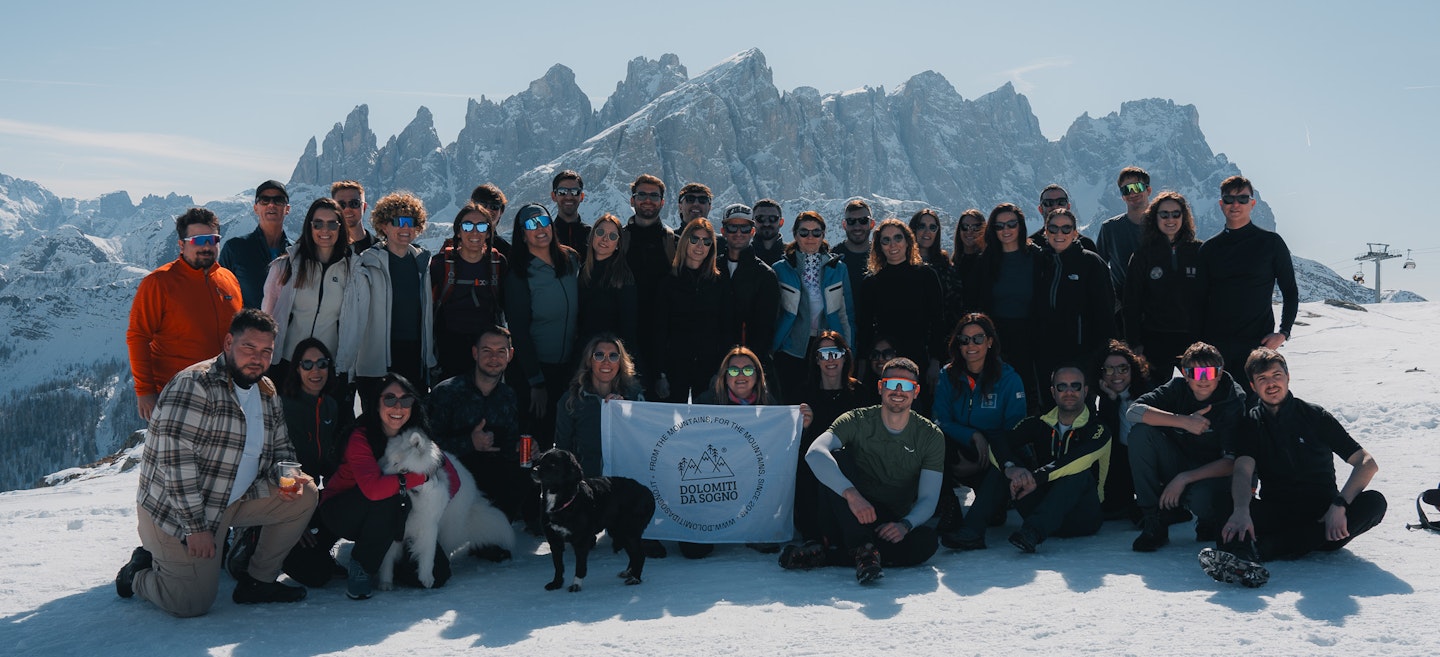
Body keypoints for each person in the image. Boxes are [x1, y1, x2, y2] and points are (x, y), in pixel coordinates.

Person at [114, 309, 316, 616]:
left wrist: (287, 477)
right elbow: (176, 465)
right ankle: (138, 573)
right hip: (177, 513)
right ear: (228, 343)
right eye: (249, 347)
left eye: (266, 351)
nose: (258, 358)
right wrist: (196, 528)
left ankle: (258, 582)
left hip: (232, 499)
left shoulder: (266, 390)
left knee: (305, 494)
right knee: (190, 602)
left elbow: (281, 446)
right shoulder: (196, 385)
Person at [1202, 348, 1386, 587]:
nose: (1271, 384)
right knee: (1223, 499)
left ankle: (1258, 550)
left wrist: (1339, 505)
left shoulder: (1315, 416)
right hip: (1279, 512)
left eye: (1276, 375)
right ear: (1253, 386)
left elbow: (1366, 463)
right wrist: (1241, 510)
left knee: (1375, 502)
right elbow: (1243, 471)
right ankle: (1243, 559)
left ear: (1288, 377)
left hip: (1324, 518)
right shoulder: (1251, 423)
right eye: (1262, 379)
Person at [786, 357, 942, 583]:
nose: (899, 391)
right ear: (880, 387)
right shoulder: (856, 420)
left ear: (916, 391)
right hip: (844, 512)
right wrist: (852, 495)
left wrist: (905, 525)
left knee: (927, 542)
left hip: (885, 521)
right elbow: (815, 453)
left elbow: (929, 497)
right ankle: (863, 548)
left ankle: (833, 556)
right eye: (891, 384)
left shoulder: (930, 435)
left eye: (907, 385)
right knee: (837, 456)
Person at [321, 373, 460, 599]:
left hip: (393, 519)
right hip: (343, 510)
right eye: (389, 399)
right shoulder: (361, 437)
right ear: (376, 403)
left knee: (438, 574)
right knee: (389, 497)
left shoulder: (416, 436)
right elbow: (373, 490)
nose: (398, 406)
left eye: (406, 400)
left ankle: (386, 555)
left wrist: (427, 514)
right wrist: (419, 479)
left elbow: (452, 479)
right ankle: (362, 564)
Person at [943, 365, 1111, 553]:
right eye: (1062, 386)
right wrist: (1010, 467)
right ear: (1053, 392)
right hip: (1040, 509)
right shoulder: (1039, 423)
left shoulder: (1098, 429)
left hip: (1082, 518)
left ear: (1085, 391)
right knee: (1006, 466)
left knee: (1079, 474)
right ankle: (971, 532)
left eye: (1076, 386)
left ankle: (1033, 532)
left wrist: (1036, 477)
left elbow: (1077, 459)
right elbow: (999, 442)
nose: (1069, 392)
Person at [691, 346, 812, 558]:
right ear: (724, 375)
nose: (741, 376)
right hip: (715, 479)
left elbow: (783, 448)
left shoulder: (769, 404)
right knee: (694, 550)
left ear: (757, 376)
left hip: (753, 478)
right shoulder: (706, 402)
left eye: (748, 370)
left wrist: (802, 425)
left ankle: (756, 528)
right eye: (733, 370)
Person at [127, 208, 244, 421]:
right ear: (181, 245)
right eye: (198, 240)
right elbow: (138, 337)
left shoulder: (228, 279)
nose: (206, 246)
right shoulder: (159, 282)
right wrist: (144, 391)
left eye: (213, 239)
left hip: (226, 393)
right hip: (177, 394)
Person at [1126, 342, 1245, 551]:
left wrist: (1184, 478)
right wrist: (1183, 421)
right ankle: (1154, 519)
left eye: (1210, 372)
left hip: (1212, 475)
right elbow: (1133, 412)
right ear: (1185, 374)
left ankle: (1209, 520)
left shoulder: (1232, 400)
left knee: (1202, 499)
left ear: (1220, 373)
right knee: (1140, 434)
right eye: (1195, 373)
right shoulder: (1177, 388)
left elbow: (1231, 462)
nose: (1203, 379)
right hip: (1178, 461)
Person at [336, 192, 436, 414]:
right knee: (376, 423)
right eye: (398, 221)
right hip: (377, 361)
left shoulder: (423, 263)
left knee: (412, 423)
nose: (405, 227)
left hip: (415, 358)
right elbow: (353, 314)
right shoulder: (367, 262)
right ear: (383, 225)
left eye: (411, 222)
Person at [1198, 176, 1298, 395]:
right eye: (1229, 199)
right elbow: (1198, 300)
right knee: (1215, 406)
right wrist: (1199, 348)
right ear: (1221, 204)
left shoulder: (1271, 243)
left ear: (1252, 203)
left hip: (1258, 347)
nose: (1235, 204)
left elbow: (1290, 291)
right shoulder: (1209, 249)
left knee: (1259, 405)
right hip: (1215, 350)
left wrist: (1283, 332)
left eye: (1242, 199)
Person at [932, 313, 1027, 537]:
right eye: (964, 340)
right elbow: (939, 420)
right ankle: (950, 508)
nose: (971, 345)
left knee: (995, 518)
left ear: (990, 341)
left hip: (996, 456)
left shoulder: (1009, 379)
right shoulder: (947, 375)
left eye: (978, 338)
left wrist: (985, 458)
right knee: (932, 439)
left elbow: (1015, 431)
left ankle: (994, 502)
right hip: (961, 449)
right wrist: (972, 435)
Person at [426, 327, 529, 527]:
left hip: (491, 476)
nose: (494, 358)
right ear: (475, 353)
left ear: (510, 355)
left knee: (524, 468)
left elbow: (509, 444)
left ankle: (495, 529)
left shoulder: (508, 396)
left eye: (501, 351)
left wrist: (521, 448)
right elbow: (426, 447)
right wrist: (469, 442)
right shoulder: (447, 392)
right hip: (452, 475)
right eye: (487, 350)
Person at [505, 203, 580, 449]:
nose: (540, 228)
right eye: (531, 224)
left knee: (564, 436)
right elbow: (519, 331)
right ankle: (527, 475)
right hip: (535, 371)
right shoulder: (519, 274)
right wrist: (535, 381)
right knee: (534, 438)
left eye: (544, 221)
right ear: (522, 233)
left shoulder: (570, 259)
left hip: (567, 368)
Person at [275, 338, 346, 587]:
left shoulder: (330, 406)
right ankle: (252, 545)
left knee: (351, 500)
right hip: (282, 504)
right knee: (316, 576)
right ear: (297, 369)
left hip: (309, 499)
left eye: (322, 363)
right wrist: (293, 521)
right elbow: (280, 465)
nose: (315, 371)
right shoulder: (284, 406)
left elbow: (325, 459)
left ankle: (319, 550)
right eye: (307, 364)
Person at [790, 331, 872, 543]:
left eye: (836, 353)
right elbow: (789, 444)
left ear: (845, 357)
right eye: (824, 354)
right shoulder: (802, 393)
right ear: (816, 360)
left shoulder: (860, 393)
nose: (830, 360)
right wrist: (803, 428)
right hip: (811, 473)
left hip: (852, 468)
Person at [261, 198, 352, 388]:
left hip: (326, 366)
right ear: (309, 227)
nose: (325, 230)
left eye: (332, 224)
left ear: (340, 228)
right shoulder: (286, 266)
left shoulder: (352, 271)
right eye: (318, 224)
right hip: (286, 363)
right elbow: (266, 317)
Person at [856, 218, 945, 403]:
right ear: (879, 247)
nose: (893, 244)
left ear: (907, 242)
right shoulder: (871, 282)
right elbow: (864, 327)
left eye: (898, 238)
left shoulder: (926, 276)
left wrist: (936, 360)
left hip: (919, 358)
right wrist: (863, 363)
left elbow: (938, 321)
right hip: (884, 361)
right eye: (886, 240)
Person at [772, 211, 857, 403]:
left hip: (828, 348)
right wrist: (774, 346)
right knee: (792, 400)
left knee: (823, 399)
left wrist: (849, 349)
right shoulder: (781, 269)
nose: (810, 237)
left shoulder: (838, 269)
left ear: (823, 235)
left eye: (816, 232)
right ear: (795, 235)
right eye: (804, 232)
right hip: (791, 348)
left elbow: (846, 312)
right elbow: (775, 313)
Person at [1031, 207, 1116, 396]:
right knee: (1048, 404)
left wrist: (1102, 353)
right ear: (1045, 232)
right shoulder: (1040, 262)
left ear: (1075, 233)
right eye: (1053, 228)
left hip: (1082, 355)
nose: (1059, 234)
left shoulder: (1090, 263)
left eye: (1066, 228)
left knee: (1081, 403)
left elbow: (1105, 312)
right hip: (1045, 354)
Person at [1124, 191, 1204, 380]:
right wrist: (1134, 342)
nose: (1170, 219)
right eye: (1164, 214)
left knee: (1201, 388)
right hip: (1154, 342)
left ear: (1184, 217)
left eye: (1176, 214)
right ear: (1155, 218)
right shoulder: (1143, 255)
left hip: (1194, 341)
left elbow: (1210, 297)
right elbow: (1131, 301)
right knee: (1153, 394)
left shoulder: (1199, 251)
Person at [970, 203, 1042, 410]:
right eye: (999, 226)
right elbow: (976, 301)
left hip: (1032, 335)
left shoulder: (1037, 257)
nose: (1006, 230)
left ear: (1021, 226)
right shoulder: (984, 262)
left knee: (1029, 391)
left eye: (1011, 224)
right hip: (996, 337)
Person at [429, 202, 507, 382]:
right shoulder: (441, 264)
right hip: (448, 354)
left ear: (489, 233)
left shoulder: (497, 264)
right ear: (458, 232)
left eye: (482, 226)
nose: (475, 232)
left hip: (486, 355)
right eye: (467, 226)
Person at [654, 218, 728, 403]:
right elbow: (658, 330)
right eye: (694, 239)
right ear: (685, 241)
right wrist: (660, 373)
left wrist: (720, 370)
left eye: (707, 241)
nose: (700, 246)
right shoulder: (668, 282)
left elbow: (726, 328)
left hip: (708, 367)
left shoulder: (719, 283)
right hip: (674, 366)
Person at [554, 333, 644, 477]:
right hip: (585, 480)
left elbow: (644, 442)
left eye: (613, 356)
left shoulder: (633, 397)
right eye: (599, 355)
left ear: (620, 363)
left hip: (624, 480)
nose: (606, 362)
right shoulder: (571, 400)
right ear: (589, 361)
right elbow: (562, 449)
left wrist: (624, 413)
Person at [622, 174, 678, 387]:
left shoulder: (673, 243)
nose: (648, 200)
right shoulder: (619, 240)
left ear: (662, 202)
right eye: (642, 195)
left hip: (665, 345)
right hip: (625, 342)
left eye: (654, 196)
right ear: (632, 200)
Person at [718, 203, 780, 394]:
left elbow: (765, 329)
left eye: (744, 228)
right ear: (723, 231)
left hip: (746, 369)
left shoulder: (765, 275)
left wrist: (750, 367)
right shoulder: (711, 268)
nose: (739, 233)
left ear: (752, 231)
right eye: (732, 227)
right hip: (710, 363)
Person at [1092, 340, 1155, 521]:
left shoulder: (1149, 393)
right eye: (1109, 369)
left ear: (1132, 369)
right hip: (1122, 464)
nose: (1116, 375)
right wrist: (1112, 399)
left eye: (1123, 368)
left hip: (1151, 464)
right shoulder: (1102, 400)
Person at [220, 180, 292, 308]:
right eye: (264, 200)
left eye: (279, 200)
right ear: (255, 208)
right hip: (245, 321)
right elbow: (220, 293)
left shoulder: (296, 252)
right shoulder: (235, 248)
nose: (271, 204)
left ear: (287, 209)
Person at [575, 213, 638, 352]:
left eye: (613, 236)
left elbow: (628, 328)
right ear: (592, 235)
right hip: (583, 351)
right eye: (600, 232)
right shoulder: (583, 271)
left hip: (608, 355)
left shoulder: (622, 277)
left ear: (618, 244)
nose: (605, 239)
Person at [1095, 167, 1153, 302]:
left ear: (1148, 190)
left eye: (1137, 187)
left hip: (1159, 305)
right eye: (1126, 190)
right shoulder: (1109, 228)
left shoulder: (1163, 225)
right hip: (1123, 305)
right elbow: (1097, 269)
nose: (1132, 193)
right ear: (1122, 196)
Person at [909, 208, 965, 342]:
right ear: (913, 229)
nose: (927, 232)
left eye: (932, 227)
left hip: (940, 339)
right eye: (922, 226)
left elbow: (956, 306)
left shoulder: (946, 267)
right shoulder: (902, 264)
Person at [950, 208, 986, 308]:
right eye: (965, 227)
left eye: (976, 227)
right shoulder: (952, 264)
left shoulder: (989, 262)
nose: (969, 231)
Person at [836, 199, 874, 292]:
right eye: (851, 221)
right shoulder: (834, 258)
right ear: (844, 225)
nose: (857, 226)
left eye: (863, 220)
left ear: (872, 224)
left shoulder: (882, 256)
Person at [550, 170, 590, 258]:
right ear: (554, 196)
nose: (568, 197)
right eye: (562, 192)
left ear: (582, 197)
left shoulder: (592, 236)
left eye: (575, 192)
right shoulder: (548, 236)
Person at [332, 180, 376, 254]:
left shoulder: (382, 250)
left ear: (364, 207)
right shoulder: (327, 251)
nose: (347, 209)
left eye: (354, 203)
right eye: (341, 205)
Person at [750, 198, 786, 266]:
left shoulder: (793, 256)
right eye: (760, 218)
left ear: (781, 222)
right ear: (752, 222)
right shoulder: (741, 256)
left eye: (773, 218)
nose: (766, 224)